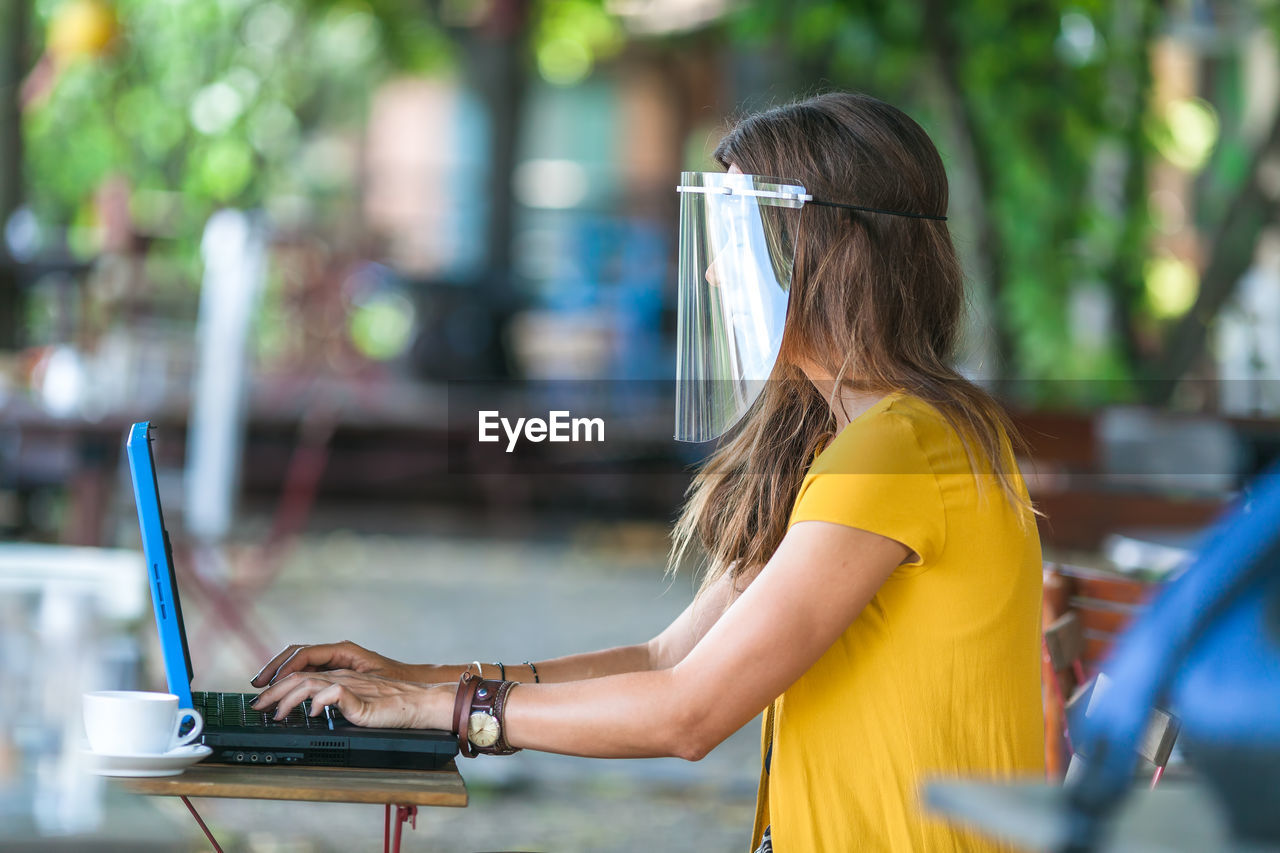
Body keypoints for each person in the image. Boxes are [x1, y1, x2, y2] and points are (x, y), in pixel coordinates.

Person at [251, 92, 1045, 852]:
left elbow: (689, 713)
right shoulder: (870, 438)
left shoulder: (897, 450)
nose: (708, 276)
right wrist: (412, 682)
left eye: (732, 239)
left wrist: (440, 709)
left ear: (821, 253)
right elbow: (667, 658)